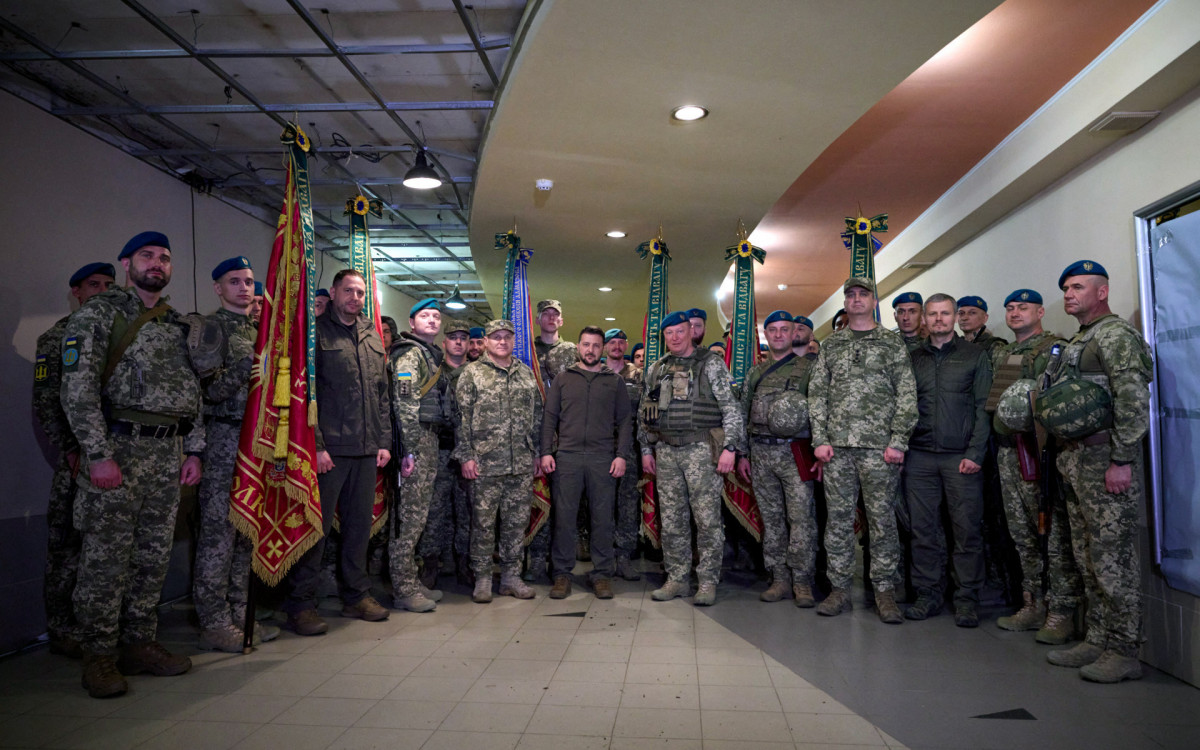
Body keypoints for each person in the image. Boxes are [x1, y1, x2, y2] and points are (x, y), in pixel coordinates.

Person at [61, 232, 204, 697]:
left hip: (167, 454)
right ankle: (98, 655)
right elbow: (77, 392)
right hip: (117, 451)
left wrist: (194, 450)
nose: (157, 264)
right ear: (127, 263)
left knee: (151, 556)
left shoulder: (176, 323)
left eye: (164, 258)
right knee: (105, 559)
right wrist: (98, 455)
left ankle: (140, 642)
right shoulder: (99, 314)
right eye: (147, 256)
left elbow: (192, 393)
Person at [1042, 261, 1152, 683]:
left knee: (1113, 558)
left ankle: (1124, 650)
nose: (1069, 294)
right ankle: (1098, 637)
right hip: (1076, 460)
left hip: (1106, 458)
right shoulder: (1081, 338)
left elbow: (1132, 401)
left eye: (1078, 287)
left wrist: (1121, 460)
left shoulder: (1116, 336)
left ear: (1102, 292)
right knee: (1087, 556)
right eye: (1066, 287)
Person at [283, 269, 391, 635]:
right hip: (328, 452)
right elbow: (303, 395)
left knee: (359, 530)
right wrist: (316, 447)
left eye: (361, 293)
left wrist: (384, 442)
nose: (355, 298)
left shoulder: (372, 335)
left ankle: (356, 595)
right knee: (316, 530)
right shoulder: (315, 333)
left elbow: (381, 395)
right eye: (349, 291)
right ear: (334, 292)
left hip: (365, 450)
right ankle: (301, 604)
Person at [808, 278, 917, 623]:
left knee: (882, 521)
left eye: (863, 295)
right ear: (845, 301)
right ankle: (839, 589)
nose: (856, 300)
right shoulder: (832, 343)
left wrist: (898, 441)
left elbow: (907, 394)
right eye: (851, 295)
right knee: (838, 522)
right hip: (837, 449)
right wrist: (820, 440)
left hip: (878, 450)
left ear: (873, 301)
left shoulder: (891, 343)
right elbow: (817, 395)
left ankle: (884, 591)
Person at [193, 256, 279, 651]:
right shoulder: (211, 329)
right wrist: (249, 362)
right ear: (218, 288)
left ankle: (241, 611)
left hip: (257, 443)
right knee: (219, 534)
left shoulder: (261, 328)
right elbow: (207, 392)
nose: (245, 288)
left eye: (249, 282)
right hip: (225, 441)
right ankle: (213, 620)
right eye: (235, 281)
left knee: (248, 532)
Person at [33, 262, 117, 660]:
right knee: (66, 545)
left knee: (103, 549)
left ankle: (100, 627)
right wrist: (71, 451)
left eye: (108, 285)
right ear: (77, 292)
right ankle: (62, 628)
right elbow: (49, 403)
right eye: (93, 285)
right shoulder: (56, 338)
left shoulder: (119, 337)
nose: (101, 291)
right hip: (77, 461)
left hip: (112, 457)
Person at [988, 289, 1082, 643]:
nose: (1015, 313)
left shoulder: (1055, 350)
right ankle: (1033, 603)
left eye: (1023, 308)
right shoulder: (1004, 353)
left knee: (1052, 535)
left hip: (1039, 452)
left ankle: (1061, 612)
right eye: (1010, 308)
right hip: (1009, 452)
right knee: (1023, 535)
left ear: (1040, 311)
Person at [638, 310, 746, 606]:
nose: (674, 338)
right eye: (669, 333)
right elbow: (644, 414)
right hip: (666, 451)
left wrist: (730, 448)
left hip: (701, 451)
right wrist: (647, 450)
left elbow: (731, 408)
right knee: (672, 520)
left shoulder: (710, 364)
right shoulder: (657, 368)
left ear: (691, 331)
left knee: (707, 519)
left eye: (680, 332)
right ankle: (676, 578)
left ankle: (707, 581)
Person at [904, 294, 993, 627]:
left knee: (966, 530)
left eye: (945, 313)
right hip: (920, 458)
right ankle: (927, 594)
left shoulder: (975, 356)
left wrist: (975, 454)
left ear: (955, 317)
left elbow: (985, 408)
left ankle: (967, 599)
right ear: (924, 319)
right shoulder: (913, 359)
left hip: (961, 459)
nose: (939, 319)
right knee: (923, 531)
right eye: (933, 314)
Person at [542, 326, 633, 599]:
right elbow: (549, 418)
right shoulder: (563, 379)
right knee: (565, 519)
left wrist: (621, 455)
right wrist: (546, 451)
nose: (590, 350)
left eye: (596, 345)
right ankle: (561, 574)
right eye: (586, 344)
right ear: (578, 347)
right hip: (567, 458)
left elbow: (626, 421)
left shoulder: (613, 381)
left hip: (602, 458)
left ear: (602, 348)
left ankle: (602, 574)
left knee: (603, 519)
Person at [455, 320, 543, 603]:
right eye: (496, 337)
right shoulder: (471, 373)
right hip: (485, 463)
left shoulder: (526, 373)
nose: (502, 342)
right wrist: (466, 456)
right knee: (482, 524)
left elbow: (537, 416)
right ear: (487, 341)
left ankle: (510, 577)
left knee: (516, 524)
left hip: (520, 462)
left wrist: (538, 453)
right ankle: (482, 578)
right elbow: (460, 419)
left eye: (507, 337)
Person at [736, 310, 820, 607]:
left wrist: (820, 449)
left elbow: (821, 412)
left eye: (785, 329)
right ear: (766, 335)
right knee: (772, 521)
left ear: (793, 332)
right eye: (773, 330)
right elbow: (742, 414)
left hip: (795, 452)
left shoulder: (810, 369)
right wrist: (742, 454)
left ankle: (802, 581)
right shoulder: (756, 372)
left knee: (801, 519)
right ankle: (779, 578)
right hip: (760, 454)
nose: (779, 334)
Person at [387, 298, 454, 612]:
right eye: (424, 315)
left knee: (418, 518)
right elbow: (404, 400)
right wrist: (409, 448)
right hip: (414, 444)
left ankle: (410, 581)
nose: (432, 320)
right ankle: (402, 587)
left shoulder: (429, 353)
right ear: (411, 323)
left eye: (436, 316)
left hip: (428, 441)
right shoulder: (410, 354)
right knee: (408, 520)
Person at [526, 299, 580, 581]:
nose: (550, 318)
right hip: (534, 435)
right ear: (537, 320)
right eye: (545, 314)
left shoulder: (572, 351)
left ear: (561, 320)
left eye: (554, 314)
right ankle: (536, 558)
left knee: (564, 503)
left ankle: (561, 563)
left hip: (567, 437)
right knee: (536, 499)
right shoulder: (526, 350)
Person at [416, 319, 471, 587]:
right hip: (436, 449)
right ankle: (430, 564)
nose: (458, 341)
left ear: (470, 344)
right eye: (453, 337)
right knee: (434, 511)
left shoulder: (476, 374)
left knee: (466, 511)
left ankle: (464, 562)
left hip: (467, 453)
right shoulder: (432, 371)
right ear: (444, 342)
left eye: (464, 337)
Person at [605, 328, 644, 580]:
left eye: (621, 342)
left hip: (629, 449)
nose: (617, 346)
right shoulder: (596, 374)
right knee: (601, 503)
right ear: (605, 346)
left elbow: (645, 414)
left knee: (628, 503)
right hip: (601, 448)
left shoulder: (639, 376)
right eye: (612, 342)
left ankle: (624, 557)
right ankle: (604, 556)